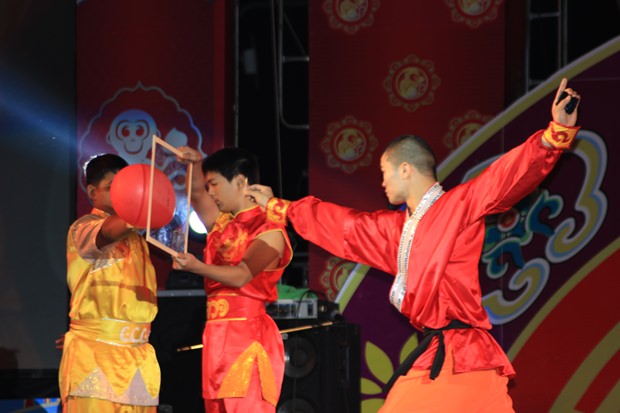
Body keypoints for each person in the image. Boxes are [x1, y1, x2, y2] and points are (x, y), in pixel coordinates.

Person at [246, 78, 581, 412]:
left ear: (405, 169)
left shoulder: (457, 206)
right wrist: (281, 207)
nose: (381, 182)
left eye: (384, 172)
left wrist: (552, 138)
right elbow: (344, 226)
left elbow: (503, 178)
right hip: (444, 356)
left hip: (461, 355)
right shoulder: (396, 230)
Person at [172, 147, 293, 413]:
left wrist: (197, 267)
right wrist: (194, 163)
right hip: (216, 336)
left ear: (240, 181)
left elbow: (242, 275)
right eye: (208, 185)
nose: (211, 192)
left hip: (247, 337)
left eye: (214, 184)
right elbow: (194, 194)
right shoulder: (221, 223)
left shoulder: (269, 228)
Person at [59, 154, 160, 412]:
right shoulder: (84, 227)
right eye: (112, 188)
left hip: (138, 359)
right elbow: (107, 232)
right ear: (92, 192)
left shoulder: (139, 239)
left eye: (126, 188)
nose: (123, 195)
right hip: (96, 360)